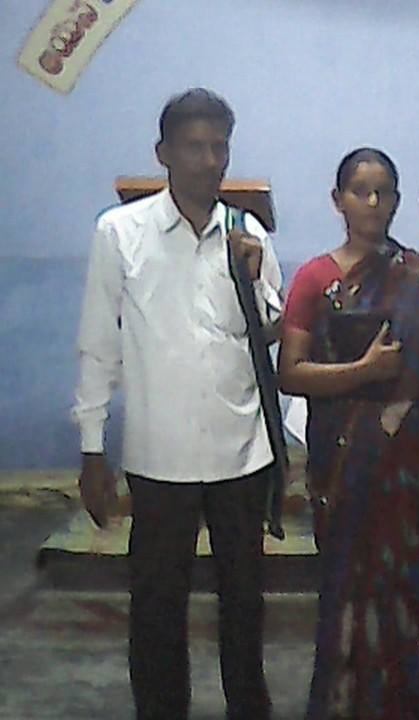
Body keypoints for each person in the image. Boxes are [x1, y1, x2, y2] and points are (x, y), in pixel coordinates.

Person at [72, 88, 282, 720]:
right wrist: (91, 449)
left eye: (220, 146)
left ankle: (249, 707)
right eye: (195, 146)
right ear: (162, 153)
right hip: (159, 458)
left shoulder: (247, 234)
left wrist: (254, 280)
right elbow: (97, 345)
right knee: (157, 607)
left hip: (241, 454)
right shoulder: (120, 233)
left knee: (244, 604)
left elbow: (268, 335)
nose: (210, 160)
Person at [278, 147, 419, 720]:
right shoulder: (314, 278)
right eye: (360, 190)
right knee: (344, 584)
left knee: (395, 584)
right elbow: (290, 374)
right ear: (338, 200)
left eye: (384, 192)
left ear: (397, 201)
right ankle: (340, 700)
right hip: (342, 462)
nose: (373, 202)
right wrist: (364, 372)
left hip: (401, 465)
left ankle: (398, 702)